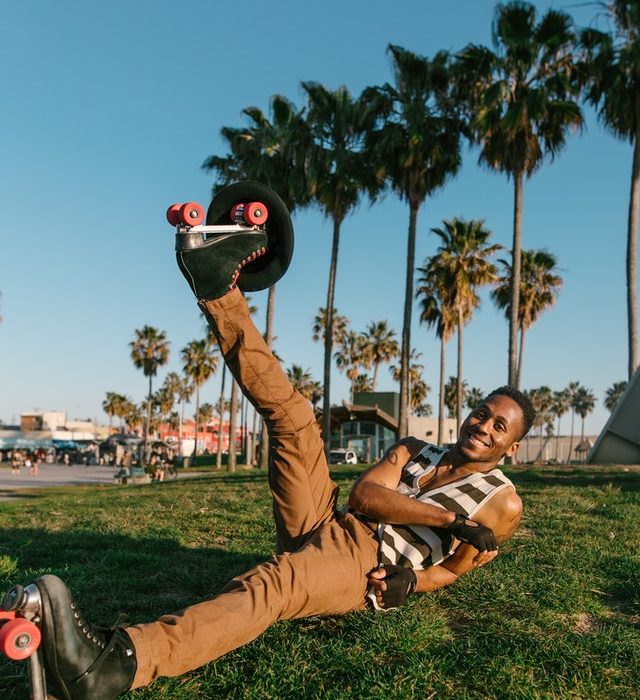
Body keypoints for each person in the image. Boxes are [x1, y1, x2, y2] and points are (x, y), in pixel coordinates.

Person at [25, 194, 535, 700]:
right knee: (294, 419)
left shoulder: (502, 501)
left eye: (500, 428)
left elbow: (452, 569)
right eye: (483, 414)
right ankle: (216, 287)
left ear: (511, 448)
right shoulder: (413, 449)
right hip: (328, 520)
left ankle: (114, 666)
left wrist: (408, 582)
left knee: (272, 585)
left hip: (363, 563)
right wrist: (448, 520)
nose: (485, 427)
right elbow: (365, 498)